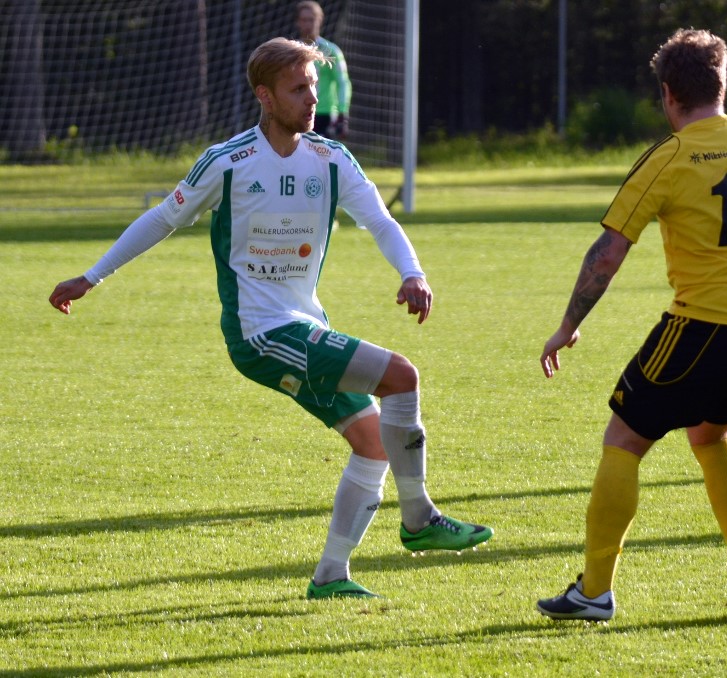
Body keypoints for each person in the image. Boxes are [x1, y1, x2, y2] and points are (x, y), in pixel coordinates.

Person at [49, 37, 492, 600]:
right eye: (298, 88)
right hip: (260, 333)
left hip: (306, 324)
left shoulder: (331, 159)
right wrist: (92, 276)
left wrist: (413, 273)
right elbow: (163, 218)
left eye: (313, 86)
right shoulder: (228, 162)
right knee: (401, 376)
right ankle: (419, 518)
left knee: (374, 443)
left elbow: (381, 221)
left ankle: (331, 577)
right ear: (265, 96)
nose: (312, 99)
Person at [535, 28, 727, 622]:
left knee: (624, 437)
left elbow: (608, 253)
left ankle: (594, 592)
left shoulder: (671, 156)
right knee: (709, 435)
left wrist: (568, 323)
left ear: (668, 94)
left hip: (706, 325)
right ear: (721, 86)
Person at [295, 1, 351, 140]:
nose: (308, 24)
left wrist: (342, 113)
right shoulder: (292, 52)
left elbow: (343, 82)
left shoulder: (331, 51)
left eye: (311, 20)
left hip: (324, 114)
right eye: (304, 20)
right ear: (298, 22)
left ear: (319, 20)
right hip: (298, 111)